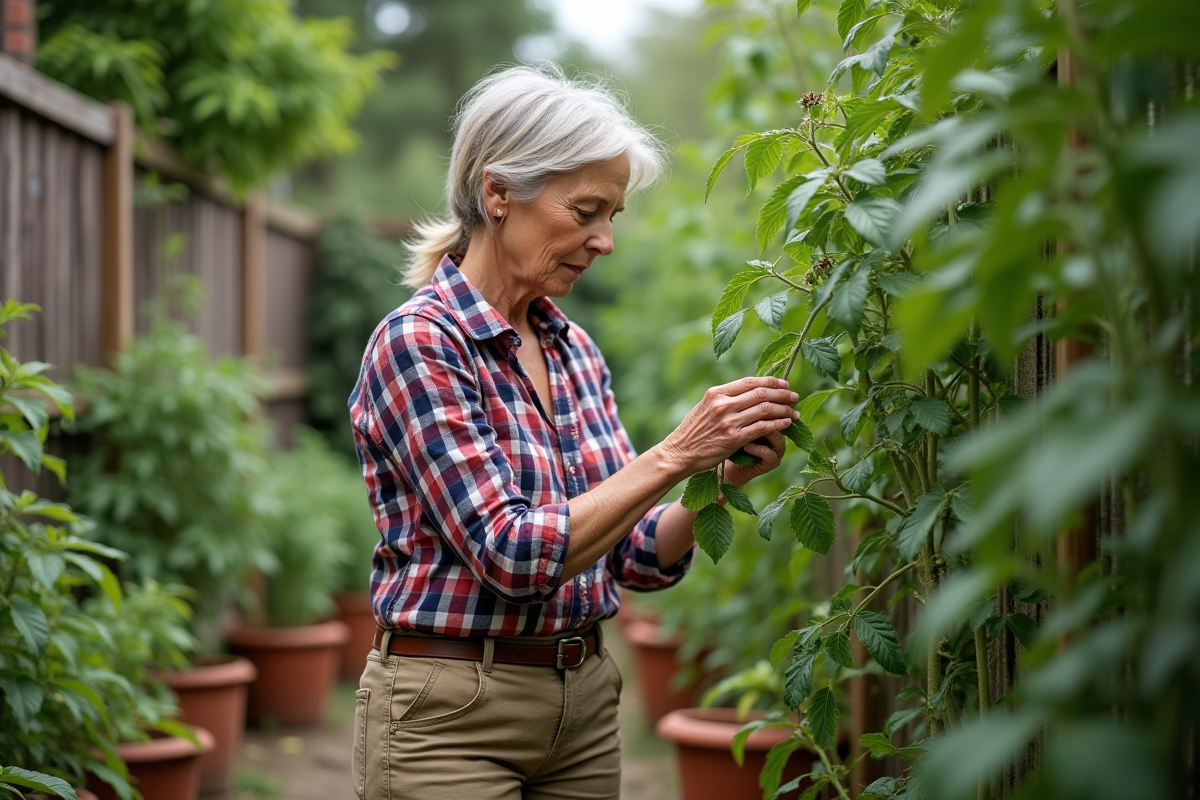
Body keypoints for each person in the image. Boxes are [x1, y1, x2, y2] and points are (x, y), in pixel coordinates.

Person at [347, 64, 798, 800]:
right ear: (498, 193)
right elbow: (512, 556)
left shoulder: (572, 348)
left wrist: (716, 479)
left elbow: (636, 556)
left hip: (584, 704)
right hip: (450, 714)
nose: (605, 240)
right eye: (586, 210)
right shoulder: (420, 344)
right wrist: (677, 452)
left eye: (613, 215)